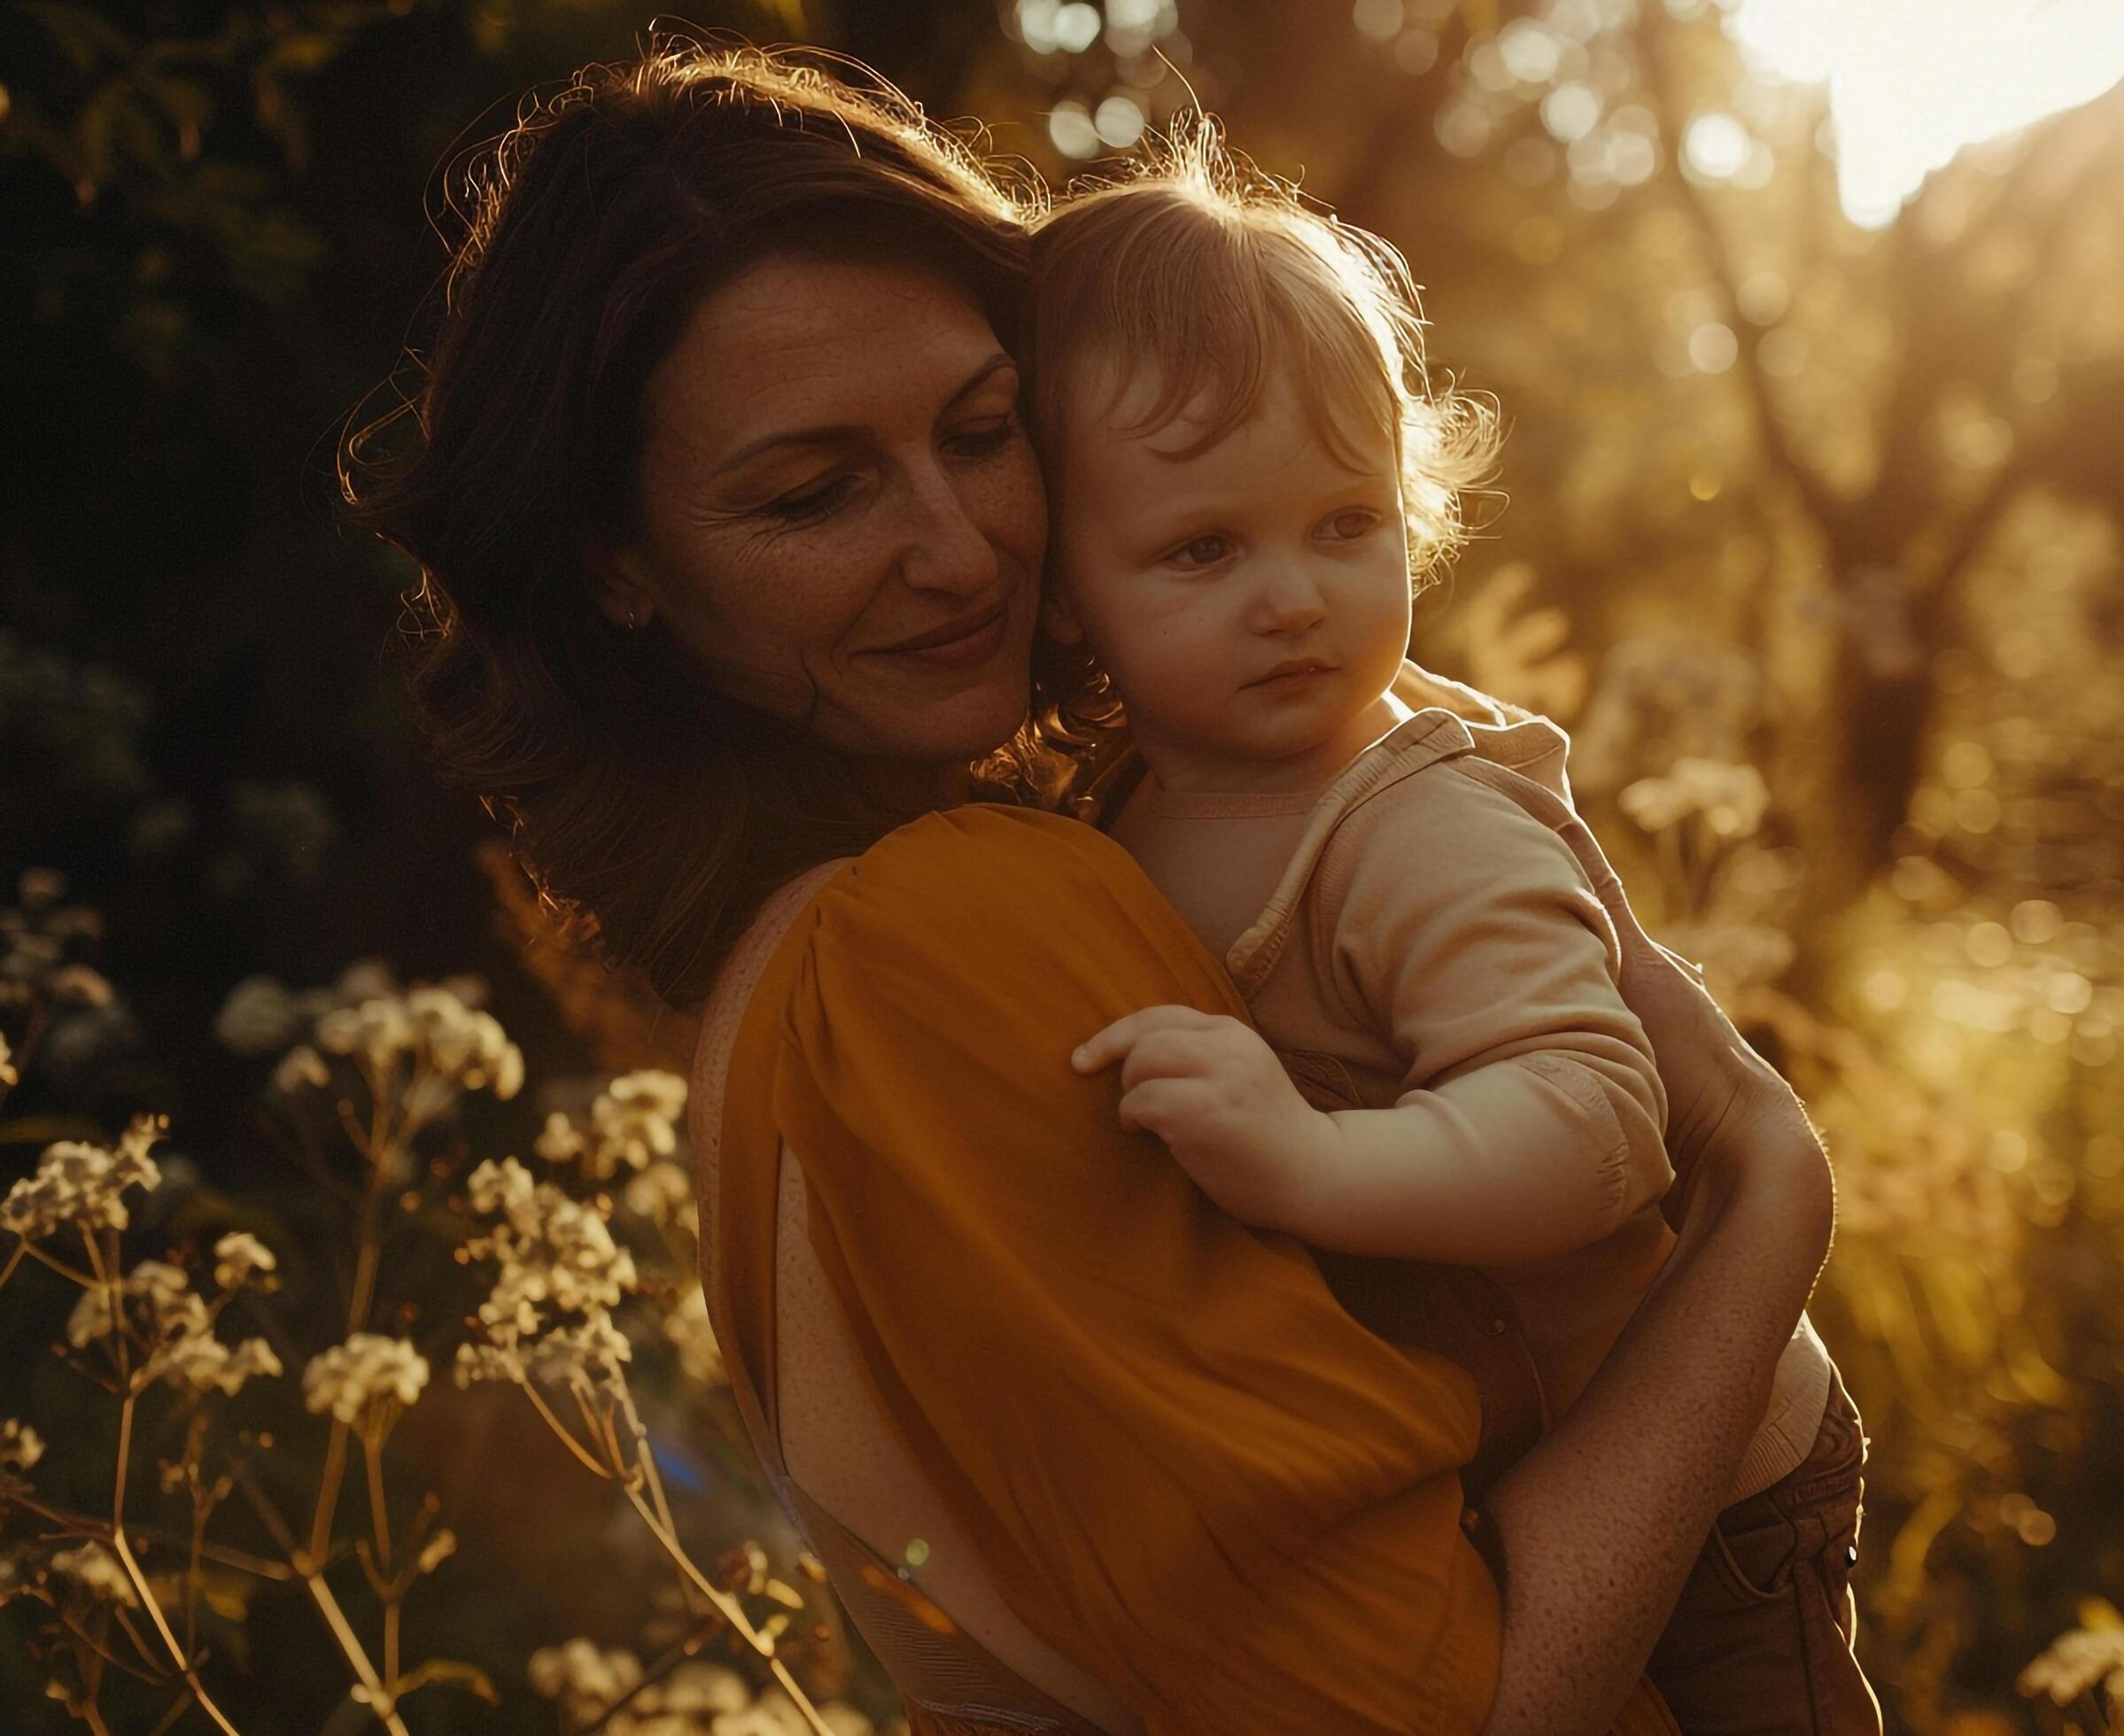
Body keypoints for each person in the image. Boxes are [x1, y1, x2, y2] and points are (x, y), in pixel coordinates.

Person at [345, 39, 1849, 1735]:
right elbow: (1442, 1710)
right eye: (815, 491)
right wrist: (1768, 1199)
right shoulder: (932, 938)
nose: (963, 544)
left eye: (983, 433)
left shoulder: (928, 903)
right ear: (617, 568)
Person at [1027, 145, 1876, 1735]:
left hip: (1712, 1494)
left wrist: (1304, 1163)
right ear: (1067, 589)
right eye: (1204, 550)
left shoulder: (1414, 823)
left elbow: (1595, 1119)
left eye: (1345, 523)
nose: (1294, 597)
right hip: (1520, 1476)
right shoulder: (1129, 803)